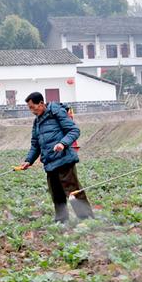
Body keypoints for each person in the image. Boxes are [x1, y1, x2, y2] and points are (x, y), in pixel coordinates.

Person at [18, 92, 93, 225]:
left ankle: (87, 220)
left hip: (64, 160)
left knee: (73, 192)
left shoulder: (56, 113)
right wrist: (28, 161)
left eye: (32, 107)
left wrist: (62, 143)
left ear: (41, 103)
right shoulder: (37, 123)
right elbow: (35, 145)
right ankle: (61, 221)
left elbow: (74, 131)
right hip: (49, 164)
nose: (31, 110)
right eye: (29, 108)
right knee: (57, 195)